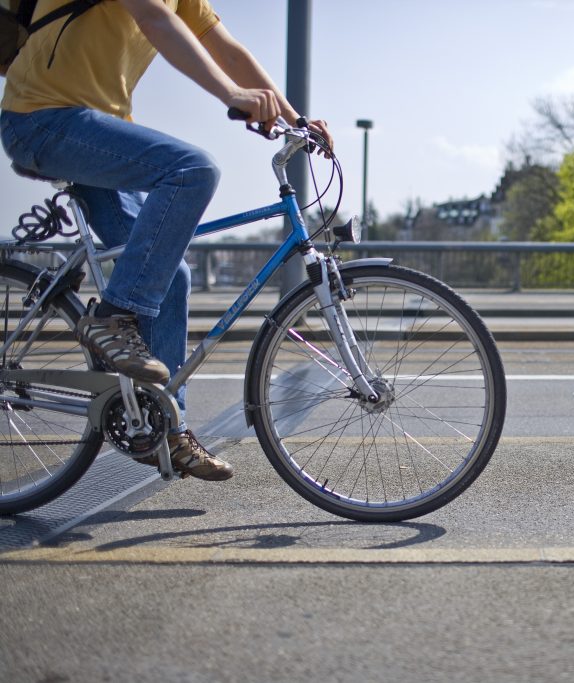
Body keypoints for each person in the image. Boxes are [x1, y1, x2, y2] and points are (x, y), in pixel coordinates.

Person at [0, 0, 332, 480]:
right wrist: (232, 94)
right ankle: (113, 319)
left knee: (170, 275)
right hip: (41, 119)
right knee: (193, 169)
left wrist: (296, 119)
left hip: (95, 129)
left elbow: (228, 49)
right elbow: (155, 20)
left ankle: (165, 428)